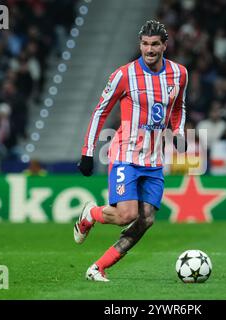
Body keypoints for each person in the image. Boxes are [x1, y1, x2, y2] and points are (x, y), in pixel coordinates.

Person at [75, 20, 188, 282]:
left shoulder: (179, 73)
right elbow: (101, 111)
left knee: (146, 219)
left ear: (164, 45)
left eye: (155, 44)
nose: (149, 49)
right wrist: (88, 152)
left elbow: (179, 106)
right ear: (140, 44)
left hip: (154, 159)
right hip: (126, 155)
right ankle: (90, 213)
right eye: (145, 44)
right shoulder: (124, 75)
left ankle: (98, 267)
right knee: (127, 214)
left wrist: (179, 132)